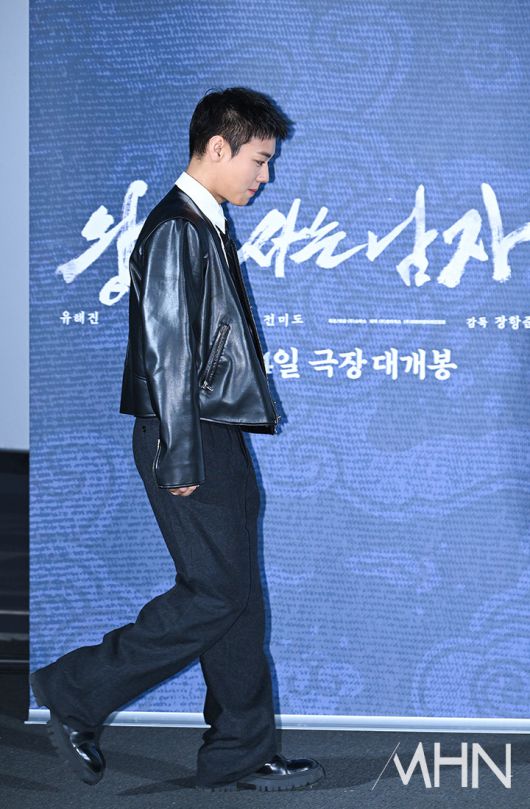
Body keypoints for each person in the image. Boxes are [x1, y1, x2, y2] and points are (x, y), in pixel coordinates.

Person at [30, 87, 324, 792]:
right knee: (216, 594)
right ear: (218, 147)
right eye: (259, 159)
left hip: (212, 434)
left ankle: (240, 751)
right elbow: (166, 353)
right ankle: (75, 689)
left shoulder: (204, 223)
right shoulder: (177, 229)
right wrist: (181, 453)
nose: (265, 175)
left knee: (237, 600)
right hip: (185, 437)